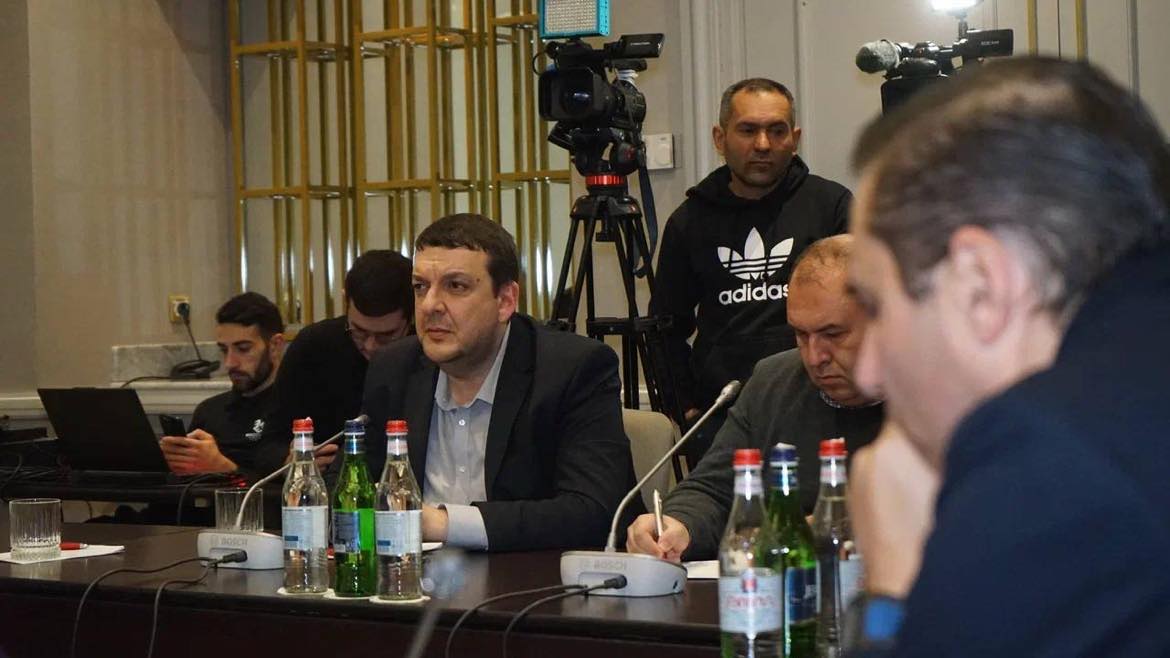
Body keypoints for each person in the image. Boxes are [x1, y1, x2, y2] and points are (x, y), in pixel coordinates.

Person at [842, 57, 1170, 656]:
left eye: (876, 306)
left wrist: (893, 587)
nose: (866, 372)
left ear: (981, 287)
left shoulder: (1045, 464)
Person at [361, 213, 639, 552]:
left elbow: (592, 512)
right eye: (420, 287)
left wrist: (443, 524)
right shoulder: (394, 368)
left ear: (505, 301)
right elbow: (351, 484)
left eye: (456, 286)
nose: (430, 305)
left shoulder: (572, 369)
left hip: (528, 579)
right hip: (414, 578)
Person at [627, 235, 883, 560]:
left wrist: (822, 528)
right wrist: (677, 524)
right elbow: (714, 490)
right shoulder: (773, 381)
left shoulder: (934, 394)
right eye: (801, 334)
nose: (814, 356)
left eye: (833, 334)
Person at [650, 77, 852, 462]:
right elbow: (664, 327)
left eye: (776, 131)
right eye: (747, 130)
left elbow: (866, 309)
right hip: (722, 418)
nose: (762, 144)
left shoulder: (831, 205)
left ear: (794, 138)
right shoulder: (689, 221)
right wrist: (686, 408)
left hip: (823, 409)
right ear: (719, 138)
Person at [253, 249, 413, 473]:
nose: (370, 346)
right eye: (359, 332)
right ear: (346, 303)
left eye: (386, 336)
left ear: (411, 318)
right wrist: (289, 460)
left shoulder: (426, 353)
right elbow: (267, 445)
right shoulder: (315, 345)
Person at [159, 292, 285, 475]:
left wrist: (227, 470)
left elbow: (297, 488)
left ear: (275, 346)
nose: (229, 363)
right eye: (224, 350)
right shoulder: (209, 412)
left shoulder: (296, 410)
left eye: (243, 349)